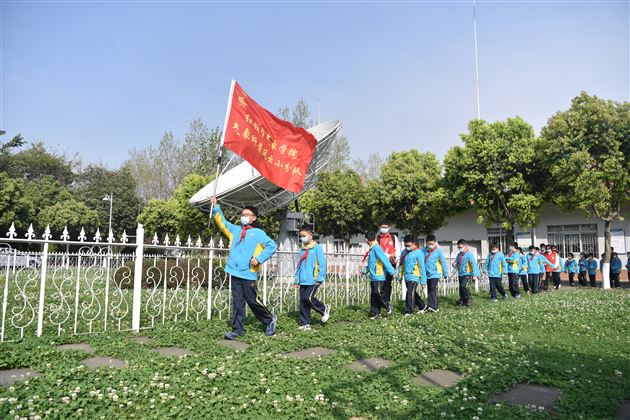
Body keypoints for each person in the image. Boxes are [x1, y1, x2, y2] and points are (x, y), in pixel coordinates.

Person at [211, 197, 277, 340]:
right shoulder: (235, 230)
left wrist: (258, 259)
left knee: (252, 300)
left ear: (253, 218)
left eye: (246, 215)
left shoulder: (258, 233)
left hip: (249, 272)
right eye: (242, 215)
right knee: (237, 301)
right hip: (235, 271)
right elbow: (222, 223)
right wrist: (216, 207)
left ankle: (269, 319)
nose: (243, 217)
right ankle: (237, 330)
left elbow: (272, 246)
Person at [294, 225, 330, 331]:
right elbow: (299, 266)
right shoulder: (302, 249)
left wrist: (320, 278)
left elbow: (322, 264)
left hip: (313, 280)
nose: (302, 238)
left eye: (304, 236)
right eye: (301, 236)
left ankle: (324, 309)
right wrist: (297, 279)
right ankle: (305, 323)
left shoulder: (317, 248)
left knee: (308, 298)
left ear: (310, 235)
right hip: (303, 280)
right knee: (303, 301)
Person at [362, 231, 397, 319]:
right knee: (374, 295)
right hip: (374, 276)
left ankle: (387, 305)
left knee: (378, 292)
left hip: (379, 275)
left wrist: (392, 272)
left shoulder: (377, 248)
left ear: (366, 240)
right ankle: (376, 313)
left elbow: (385, 260)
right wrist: (365, 270)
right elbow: (372, 263)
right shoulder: (372, 249)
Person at [398, 235, 427, 315]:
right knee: (413, 293)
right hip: (406, 277)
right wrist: (399, 276)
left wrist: (423, 281)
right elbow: (401, 265)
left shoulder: (419, 253)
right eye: (405, 245)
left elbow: (422, 267)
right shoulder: (404, 252)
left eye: (409, 245)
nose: (407, 247)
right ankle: (422, 306)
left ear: (414, 243)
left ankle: (409, 311)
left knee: (409, 293)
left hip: (414, 277)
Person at [419, 234, 448, 312]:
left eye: (432, 244)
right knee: (430, 290)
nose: (431, 245)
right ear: (426, 243)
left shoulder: (438, 251)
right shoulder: (422, 251)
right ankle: (433, 305)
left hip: (435, 274)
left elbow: (443, 262)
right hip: (426, 274)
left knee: (432, 288)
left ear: (435, 243)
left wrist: (446, 273)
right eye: (429, 244)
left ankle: (433, 307)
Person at [376, 223, 400, 312]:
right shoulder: (377, 238)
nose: (384, 229)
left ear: (389, 228)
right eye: (382, 227)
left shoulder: (393, 238)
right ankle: (382, 302)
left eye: (386, 227)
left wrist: (395, 258)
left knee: (388, 283)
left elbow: (397, 249)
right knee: (381, 283)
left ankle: (387, 301)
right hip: (381, 264)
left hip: (391, 263)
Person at [451, 239, 480, 306]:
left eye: (461, 247)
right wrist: (453, 272)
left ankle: (469, 298)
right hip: (460, 274)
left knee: (463, 286)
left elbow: (474, 265)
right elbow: (457, 264)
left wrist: (475, 275)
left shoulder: (469, 255)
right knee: (461, 289)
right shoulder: (459, 255)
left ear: (465, 246)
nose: (459, 249)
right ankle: (463, 300)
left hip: (467, 274)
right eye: (458, 247)